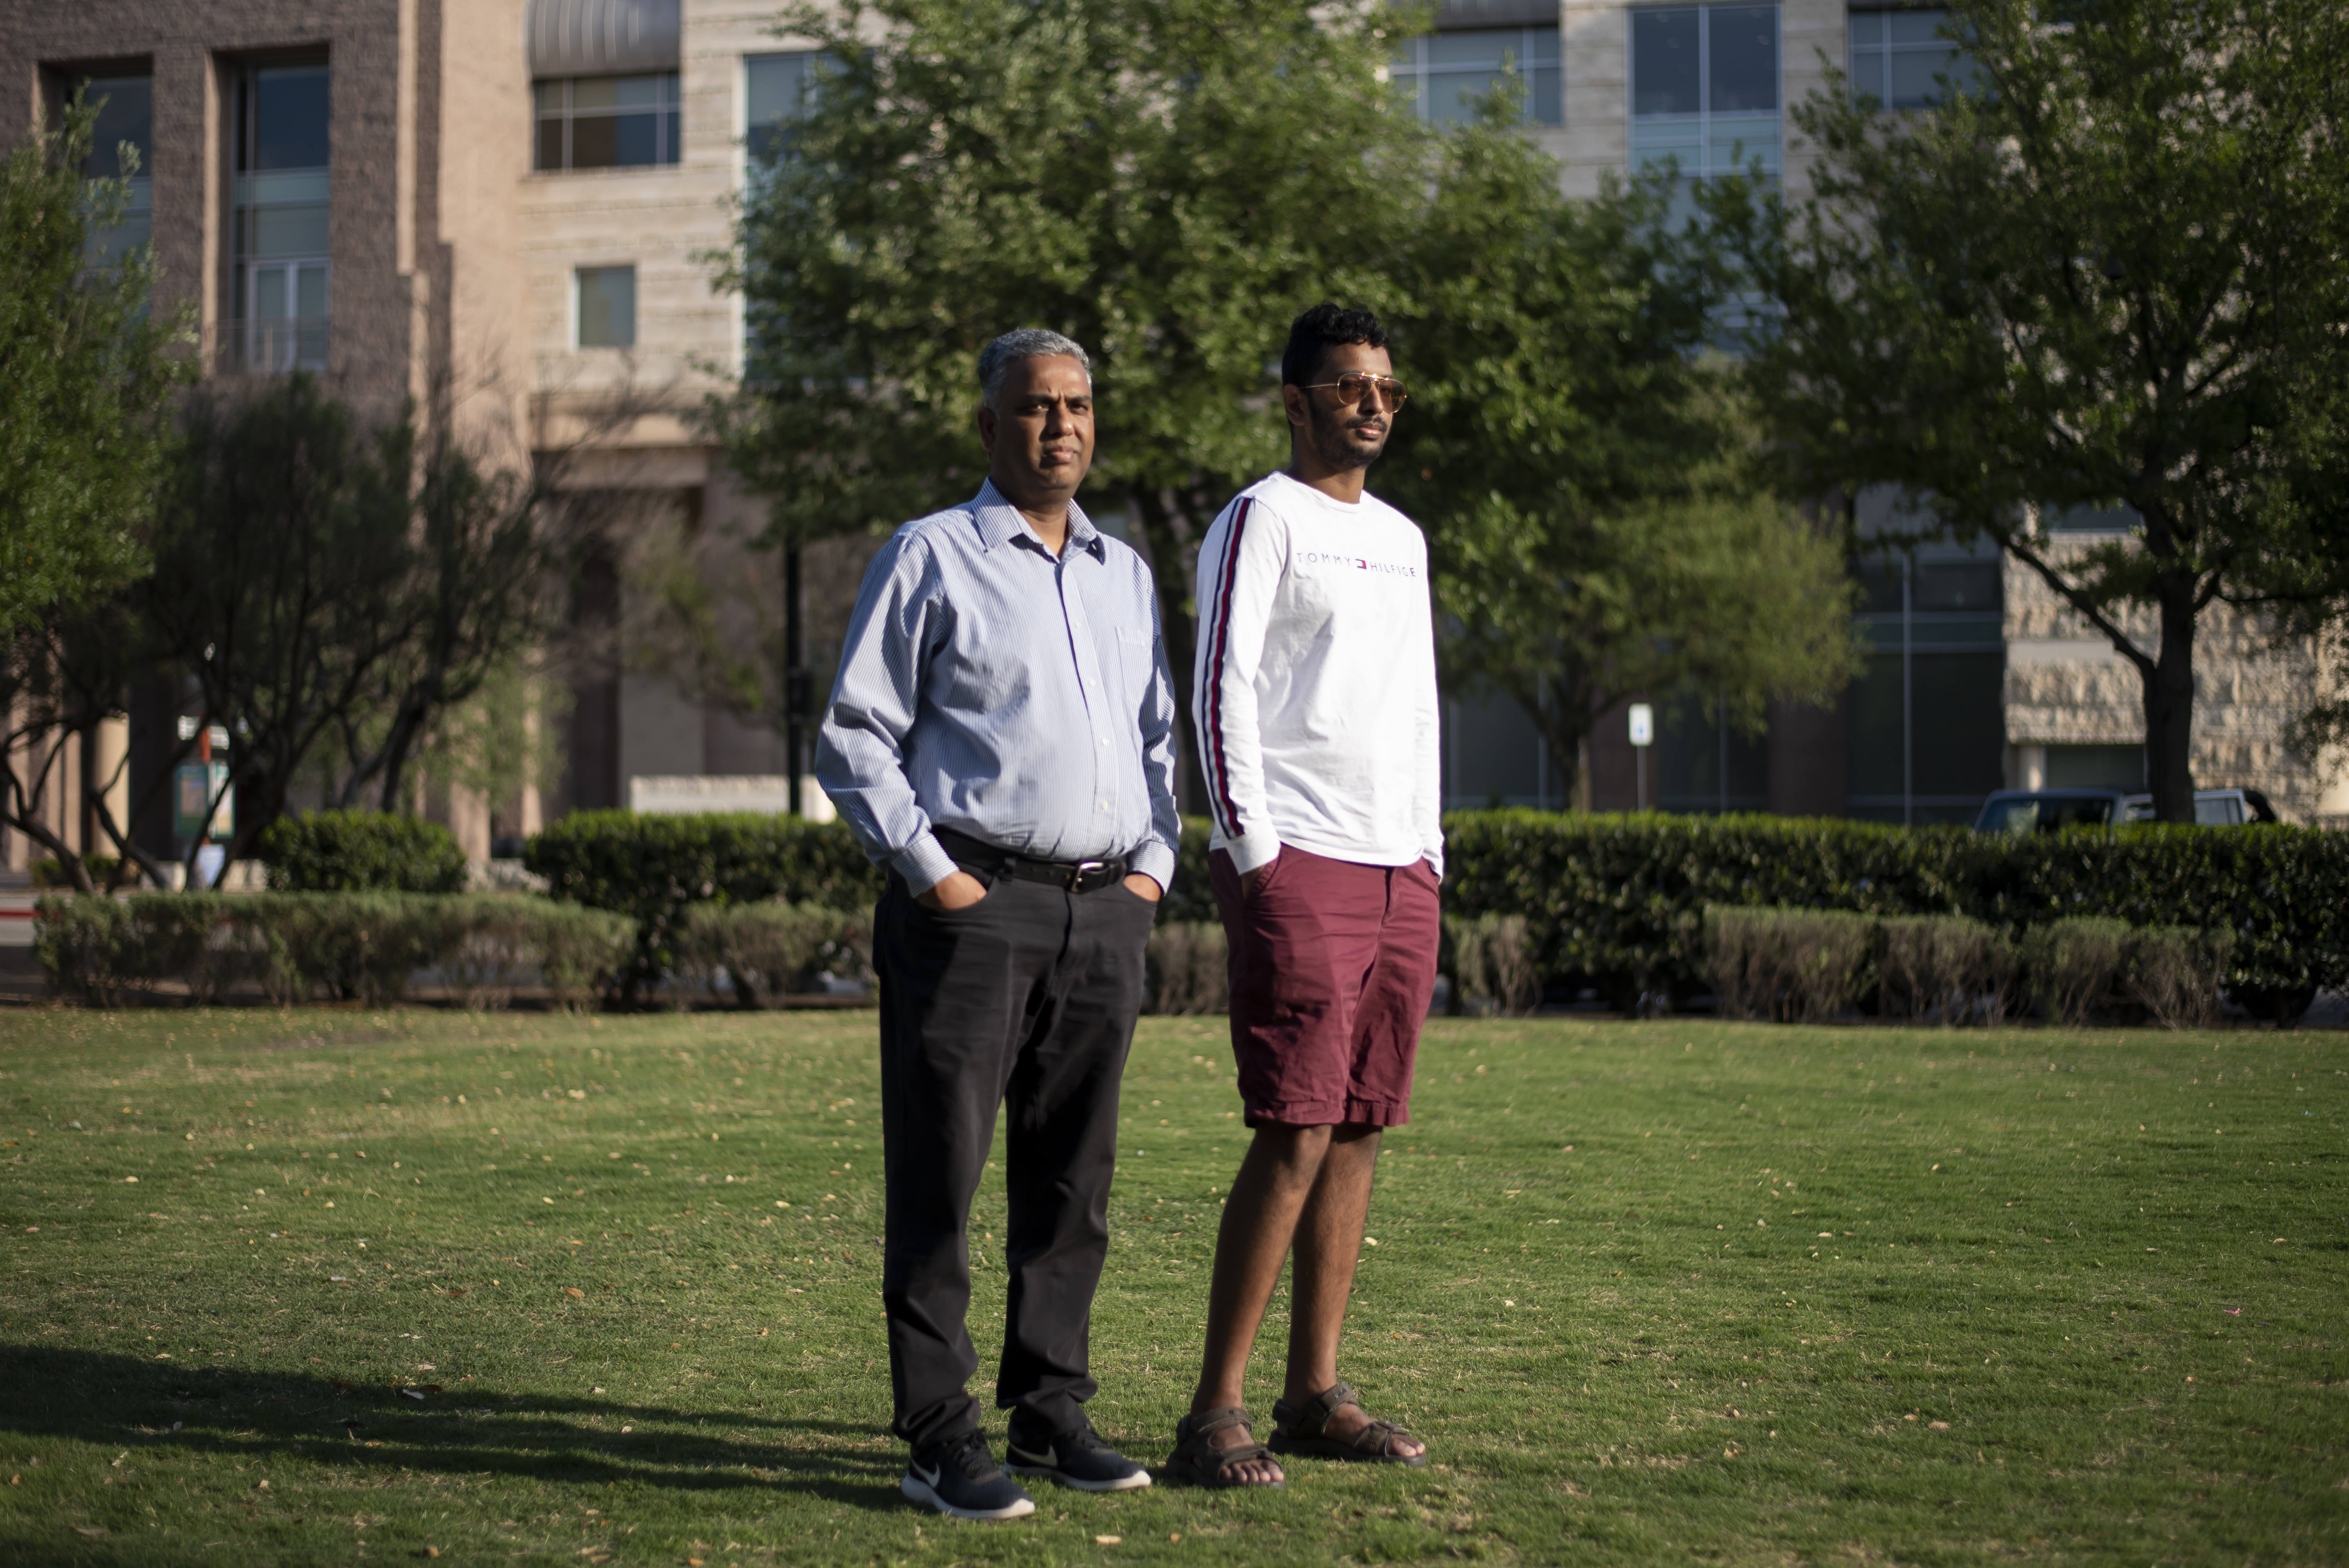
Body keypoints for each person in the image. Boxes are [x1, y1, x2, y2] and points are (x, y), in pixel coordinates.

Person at [817, 328, 1179, 1520]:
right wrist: (934, 877)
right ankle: (938, 1437)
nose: (1061, 425)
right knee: (942, 1176)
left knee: (1073, 1182)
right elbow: (854, 735)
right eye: (1035, 407)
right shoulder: (931, 555)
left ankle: (1048, 1412)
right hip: (972, 912)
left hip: (1103, 914)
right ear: (989, 426)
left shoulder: (1124, 574)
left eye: (1078, 405)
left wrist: (1152, 870)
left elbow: (1156, 737)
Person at [1166, 303, 1441, 1489]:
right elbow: (1219, 686)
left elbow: (1417, 704)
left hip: (1399, 868)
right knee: (1296, 1125)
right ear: (1296, 402)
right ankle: (1213, 1412)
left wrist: (1427, 853)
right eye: (1347, 387)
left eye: (1384, 387)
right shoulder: (1259, 519)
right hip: (1298, 859)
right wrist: (1252, 850)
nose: (1371, 404)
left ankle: (1313, 1396)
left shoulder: (1403, 538)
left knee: (1362, 1125)